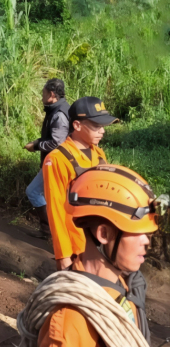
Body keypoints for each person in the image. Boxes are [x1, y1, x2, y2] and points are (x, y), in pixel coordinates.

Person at [17, 164, 157, 347]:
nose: (147, 242)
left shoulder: (122, 284)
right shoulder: (70, 323)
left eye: (148, 234)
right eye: (137, 233)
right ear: (104, 234)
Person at [44, 96, 117, 271]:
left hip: (101, 244)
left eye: (103, 126)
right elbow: (55, 210)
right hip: (77, 247)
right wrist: (63, 255)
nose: (102, 131)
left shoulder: (99, 154)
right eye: (96, 126)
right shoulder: (57, 159)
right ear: (76, 125)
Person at [24, 78, 69, 239]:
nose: (41, 96)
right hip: (57, 163)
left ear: (51, 94)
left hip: (57, 163)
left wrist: (36, 145)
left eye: (43, 93)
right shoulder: (59, 109)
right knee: (52, 196)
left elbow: (57, 142)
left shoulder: (59, 115)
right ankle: (50, 230)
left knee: (33, 191)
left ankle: (50, 230)